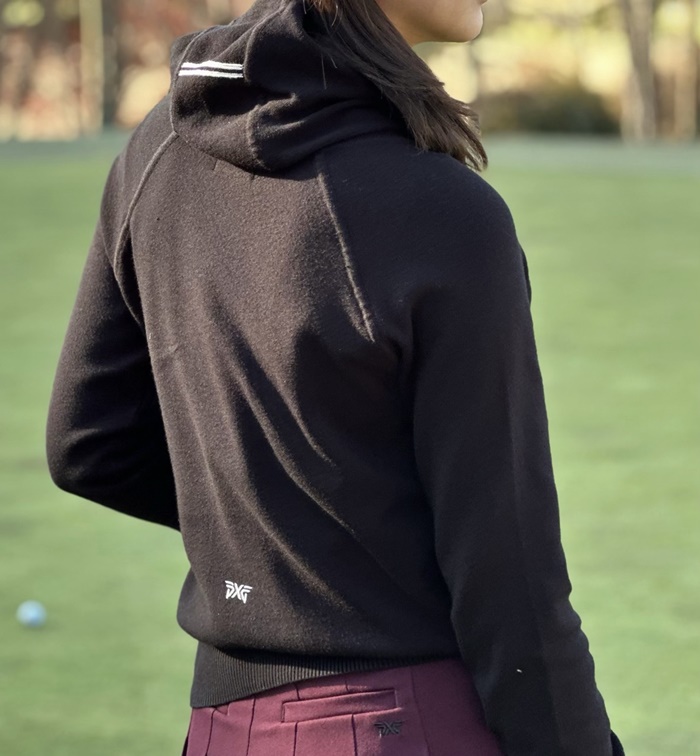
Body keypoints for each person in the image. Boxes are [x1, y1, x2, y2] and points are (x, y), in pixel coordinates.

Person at [45, 0, 626, 753]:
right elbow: (509, 577)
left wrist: (279, 547)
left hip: (220, 731)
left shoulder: (157, 148)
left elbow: (89, 444)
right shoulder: (442, 212)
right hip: (405, 723)